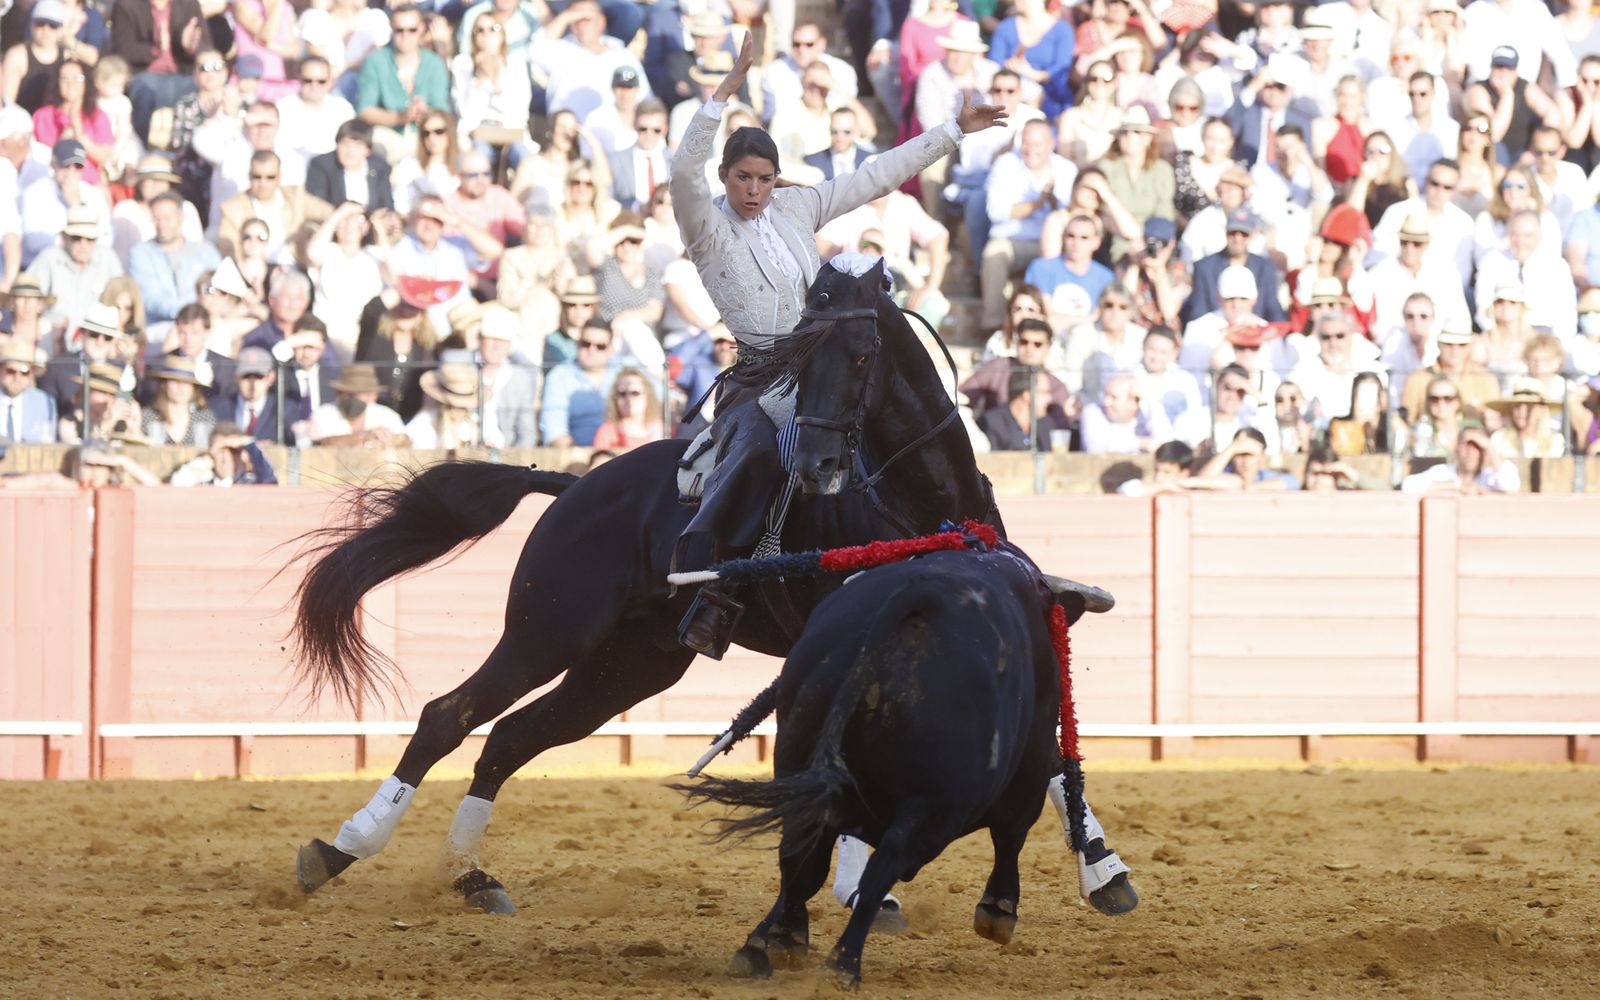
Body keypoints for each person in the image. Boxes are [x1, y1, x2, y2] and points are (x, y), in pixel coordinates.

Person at [668, 32, 1005, 657]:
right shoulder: (706, 224)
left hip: (818, 373)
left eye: (765, 178)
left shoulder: (795, 208)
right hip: (758, 382)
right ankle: (716, 588)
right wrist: (722, 95)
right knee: (764, 453)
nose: (754, 190)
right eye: (743, 177)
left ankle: (977, 534)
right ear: (725, 177)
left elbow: (876, 177)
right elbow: (682, 171)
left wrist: (954, 132)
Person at [305, 121, 395, 215]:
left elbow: (387, 205)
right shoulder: (321, 165)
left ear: (367, 150)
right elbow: (316, 207)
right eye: (345, 144)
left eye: (358, 146)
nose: (350, 152)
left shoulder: (380, 167)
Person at [309, 362, 410, 447]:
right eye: (349, 394)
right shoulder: (324, 413)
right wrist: (364, 436)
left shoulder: (387, 415)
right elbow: (322, 444)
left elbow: (406, 441)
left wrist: (393, 439)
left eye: (359, 394)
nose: (353, 399)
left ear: (373, 396)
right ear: (339, 393)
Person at [1401, 424, 1520, 493]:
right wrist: (1458, 487)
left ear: (1485, 452)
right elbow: (1408, 486)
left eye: (1477, 447)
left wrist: (1488, 445)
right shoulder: (1444, 472)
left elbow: (1511, 486)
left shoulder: (1490, 476)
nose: (1471, 452)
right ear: (1456, 448)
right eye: (1466, 445)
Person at [139, 353, 216, 445]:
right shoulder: (148, 417)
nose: (180, 387)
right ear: (164, 385)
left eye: (186, 382)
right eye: (175, 381)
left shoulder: (204, 418)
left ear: (194, 388)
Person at [167, 422, 278, 485]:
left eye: (232, 450)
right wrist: (205, 461)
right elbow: (177, 482)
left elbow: (270, 480)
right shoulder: (204, 482)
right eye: (220, 451)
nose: (225, 457)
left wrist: (245, 443)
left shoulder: (251, 482)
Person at [211, 345, 282, 442]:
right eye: (246, 376)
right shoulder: (219, 408)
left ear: (271, 378)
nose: (252, 384)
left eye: (259, 376)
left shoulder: (283, 409)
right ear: (236, 377)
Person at [590, 366, 665, 452]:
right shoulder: (607, 432)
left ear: (648, 396)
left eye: (635, 393)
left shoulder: (661, 430)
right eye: (622, 394)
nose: (628, 399)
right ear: (615, 398)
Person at [0, 341, 58, 443]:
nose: (17, 378)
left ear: (31, 374)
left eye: (24, 372)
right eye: (11, 371)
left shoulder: (44, 402)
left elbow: (48, 443)